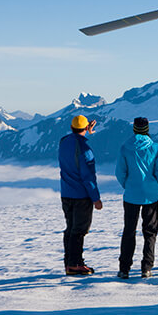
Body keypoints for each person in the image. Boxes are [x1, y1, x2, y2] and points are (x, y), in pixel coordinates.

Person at [115, 117, 158, 279]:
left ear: (134, 129)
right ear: (147, 129)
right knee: (150, 231)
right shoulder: (156, 148)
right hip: (151, 194)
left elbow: (120, 172)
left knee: (129, 230)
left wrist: (128, 185)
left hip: (131, 194)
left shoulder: (125, 147)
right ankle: (147, 267)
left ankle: (124, 268)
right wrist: (155, 185)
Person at [58, 115, 102, 276]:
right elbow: (88, 176)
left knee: (70, 228)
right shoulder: (85, 149)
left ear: (71, 128)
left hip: (66, 193)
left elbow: (73, 140)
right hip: (81, 196)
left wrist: (85, 132)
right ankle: (76, 263)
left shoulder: (64, 142)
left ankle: (69, 262)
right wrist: (96, 198)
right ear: (84, 128)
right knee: (79, 230)